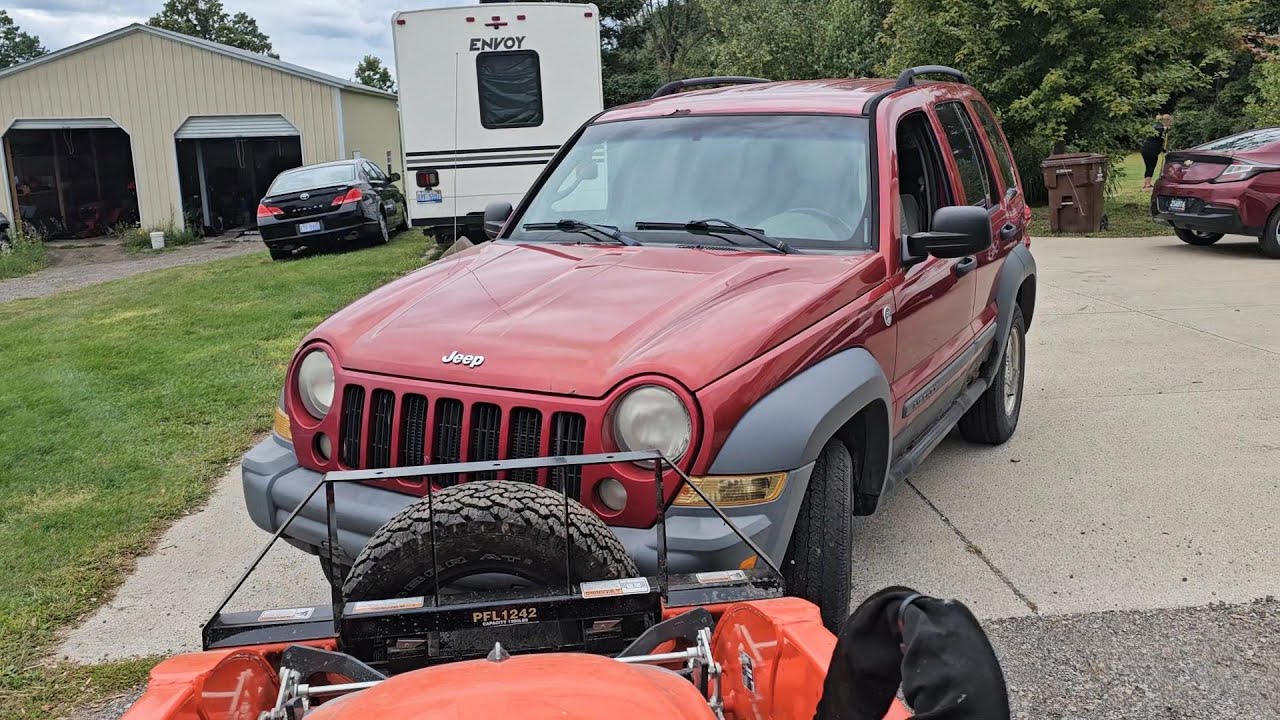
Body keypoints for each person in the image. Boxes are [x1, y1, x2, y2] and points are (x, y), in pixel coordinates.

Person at [1141, 113, 1172, 190]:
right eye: (1169, 121)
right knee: (1151, 166)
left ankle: (1146, 183)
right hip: (1150, 150)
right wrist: (1164, 128)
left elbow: (1158, 141)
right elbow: (1157, 131)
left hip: (1148, 149)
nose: (1170, 123)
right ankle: (1147, 184)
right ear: (1166, 120)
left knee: (1149, 166)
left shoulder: (1160, 128)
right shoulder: (1157, 126)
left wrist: (1163, 149)